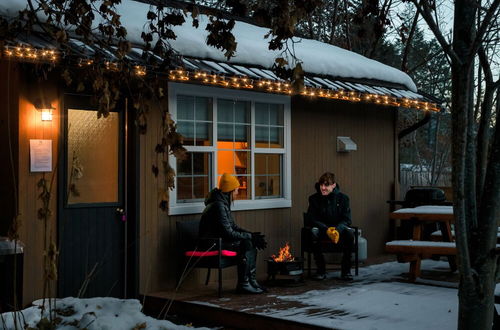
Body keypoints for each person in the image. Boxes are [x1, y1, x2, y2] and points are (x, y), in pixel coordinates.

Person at [199, 173, 267, 294]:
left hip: (220, 240)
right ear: (229, 190)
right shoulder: (218, 205)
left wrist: (251, 234)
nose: (237, 192)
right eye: (236, 190)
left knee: (250, 242)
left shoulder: (222, 203)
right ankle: (244, 284)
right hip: (212, 243)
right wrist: (250, 237)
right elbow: (228, 233)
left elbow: (233, 226)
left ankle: (251, 281)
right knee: (246, 244)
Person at [306, 172, 355, 281]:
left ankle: (346, 271)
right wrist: (326, 229)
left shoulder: (343, 199)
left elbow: (347, 219)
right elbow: (312, 219)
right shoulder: (314, 199)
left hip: (338, 230)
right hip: (322, 229)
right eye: (321, 185)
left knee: (350, 234)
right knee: (313, 232)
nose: (323, 188)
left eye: (326, 185)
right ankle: (321, 270)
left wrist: (337, 229)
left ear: (333, 185)